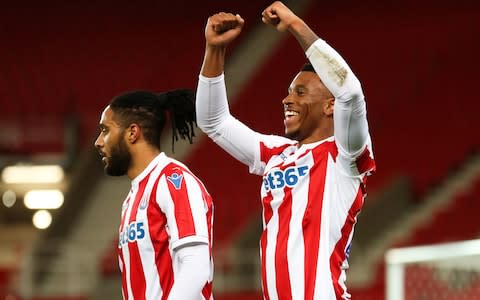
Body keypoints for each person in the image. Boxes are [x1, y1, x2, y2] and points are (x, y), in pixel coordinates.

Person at [196, 2, 375, 299]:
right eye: (290, 91)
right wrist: (214, 51)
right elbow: (213, 121)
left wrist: (294, 25)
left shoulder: (345, 156)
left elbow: (350, 91)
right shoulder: (276, 153)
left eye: (300, 92)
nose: (286, 99)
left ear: (331, 105)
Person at [94, 89, 214, 300]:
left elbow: (196, 265)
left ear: (132, 132)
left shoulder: (174, 181)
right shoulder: (132, 197)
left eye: (105, 130)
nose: (99, 142)